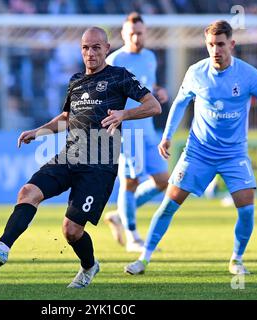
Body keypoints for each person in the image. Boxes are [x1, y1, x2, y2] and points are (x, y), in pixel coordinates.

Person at [0, 27, 161, 288]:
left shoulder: (119, 76)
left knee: (71, 231)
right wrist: (39, 131)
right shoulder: (76, 81)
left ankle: (89, 266)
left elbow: (154, 105)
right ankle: (2, 247)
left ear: (107, 49)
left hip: (99, 165)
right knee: (28, 192)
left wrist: (124, 114)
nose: (90, 53)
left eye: (96, 47)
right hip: (69, 155)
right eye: (85, 48)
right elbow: (67, 118)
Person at [124, 20, 257, 276]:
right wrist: (167, 135)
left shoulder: (248, 75)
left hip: (234, 154)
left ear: (231, 44)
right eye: (211, 45)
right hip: (198, 152)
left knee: (246, 209)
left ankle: (236, 259)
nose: (216, 50)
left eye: (221, 44)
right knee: (168, 205)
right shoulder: (196, 72)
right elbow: (179, 103)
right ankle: (143, 259)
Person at [103, 12, 170, 252]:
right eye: (131, 33)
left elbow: (148, 87)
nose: (136, 37)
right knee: (130, 182)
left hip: (149, 131)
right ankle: (132, 237)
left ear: (145, 33)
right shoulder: (113, 62)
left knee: (164, 181)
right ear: (123, 34)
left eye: (140, 33)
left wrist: (159, 93)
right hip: (127, 132)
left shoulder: (150, 58)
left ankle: (120, 216)